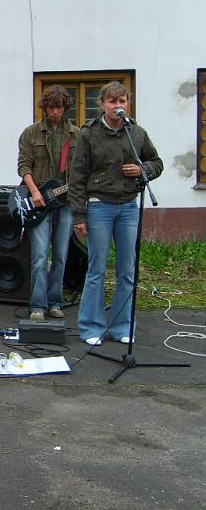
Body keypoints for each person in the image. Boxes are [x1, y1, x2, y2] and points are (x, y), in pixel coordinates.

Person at [67, 81, 163, 346]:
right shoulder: (89, 134)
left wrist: (142, 170)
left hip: (129, 206)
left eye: (122, 101)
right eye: (112, 101)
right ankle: (91, 327)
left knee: (127, 270)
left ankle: (122, 326)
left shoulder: (137, 133)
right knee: (97, 268)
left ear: (127, 103)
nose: (117, 106)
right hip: (99, 206)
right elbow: (77, 177)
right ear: (102, 104)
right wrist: (79, 216)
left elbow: (156, 162)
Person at [17, 85, 80, 321]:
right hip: (39, 200)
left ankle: (55, 302)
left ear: (65, 107)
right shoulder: (31, 133)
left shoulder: (76, 135)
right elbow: (24, 165)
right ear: (45, 108)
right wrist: (35, 191)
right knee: (40, 256)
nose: (55, 112)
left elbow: (83, 169)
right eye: (51, 107)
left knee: (61, 255)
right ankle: (37, 305)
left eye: (59, 107)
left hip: (66, 200)